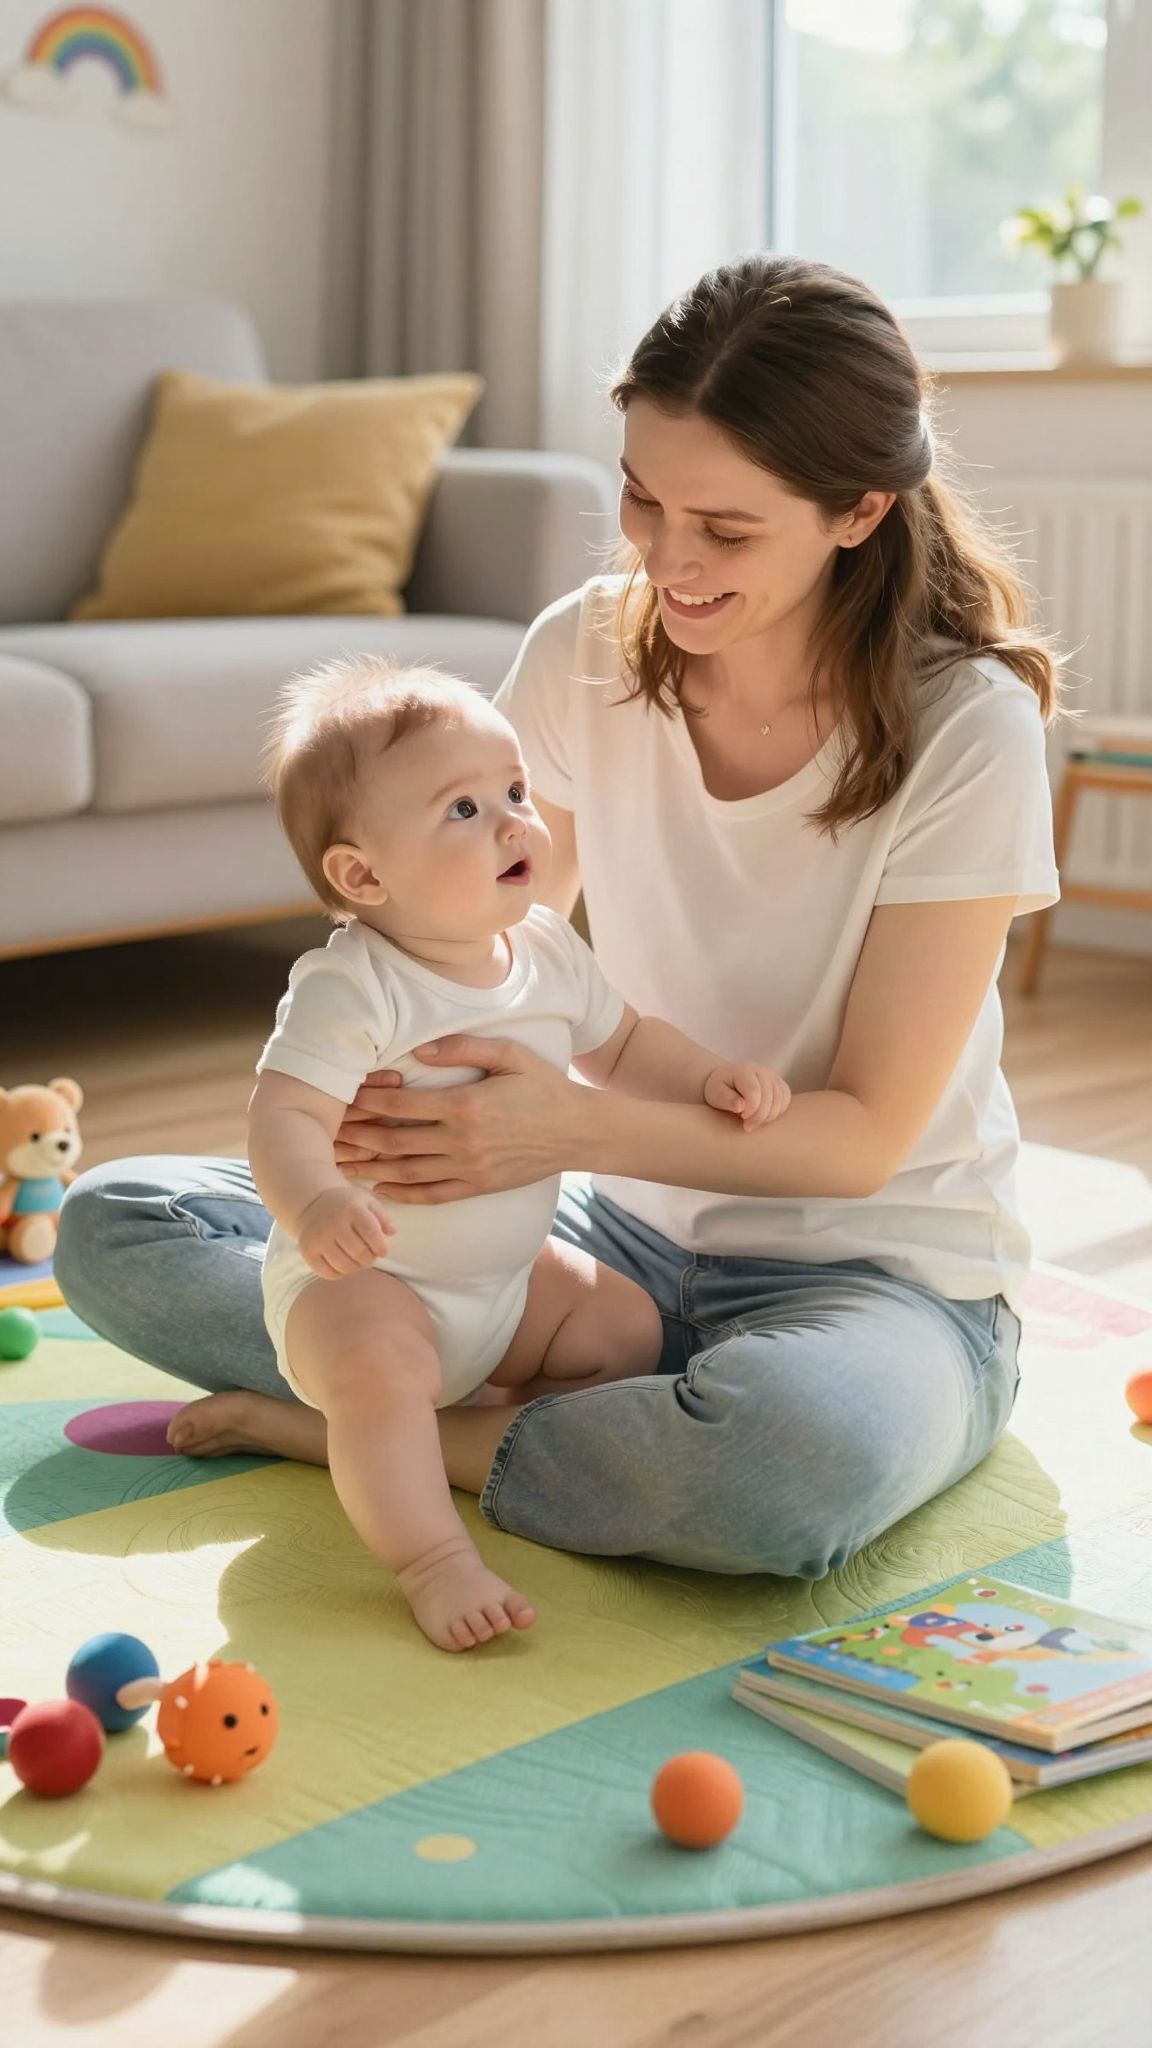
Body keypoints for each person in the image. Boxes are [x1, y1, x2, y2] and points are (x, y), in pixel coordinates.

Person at [56, 253, 1060, 1582]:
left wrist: (564, 1124)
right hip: (586, 1238)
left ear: (860, 509)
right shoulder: (588, 648)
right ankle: (478, 1410)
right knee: (119, 1220)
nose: (668, 559)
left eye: (726, 529)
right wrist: (375, 1111)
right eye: (643, 499)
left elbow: (864, 1139)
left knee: (779, 1468)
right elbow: (492, 939)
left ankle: (378, 1430)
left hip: (875, 1278)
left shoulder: (967, 725)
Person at [248, 655, 789, 1648]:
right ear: (363, 875)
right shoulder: (354, 985)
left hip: (503, 1285)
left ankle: (427, 1439)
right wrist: (316, 1204)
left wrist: (708, 1078)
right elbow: (281, 1113)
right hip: (373, 1282)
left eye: (514, 791)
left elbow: (625, 1044)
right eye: (463, 809)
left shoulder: (544, 946)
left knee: (623, 1326)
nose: (513, 823)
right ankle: (430, 1554)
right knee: (374, 1369)